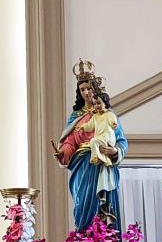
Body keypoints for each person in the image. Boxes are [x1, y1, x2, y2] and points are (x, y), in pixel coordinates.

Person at [53, 60, 128, 231]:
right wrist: (63, 152)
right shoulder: (76, 117)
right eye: (82, 89)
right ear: (79, 93)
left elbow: (122, 141)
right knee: (83, 206)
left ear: (95, 89)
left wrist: (115, 151)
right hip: (83, 166)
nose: (86, 92)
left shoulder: (108, 115)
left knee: (104, 206)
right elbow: (70, 141)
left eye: (89, 88)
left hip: (103, 163)